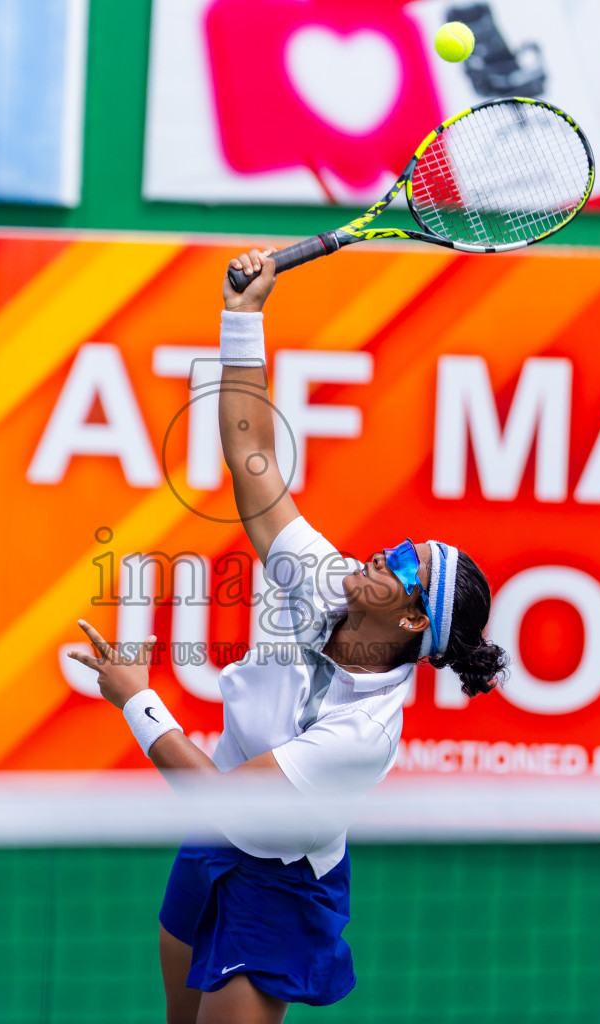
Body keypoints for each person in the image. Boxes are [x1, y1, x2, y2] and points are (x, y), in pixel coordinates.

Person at [67, 248, 509, 1024]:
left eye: (403, 567)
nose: (385, 554)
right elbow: (254, 463)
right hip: (211, 840)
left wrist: (137, 703)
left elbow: (234, 806)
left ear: (412, 621)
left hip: (278, 877)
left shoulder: (363, 732)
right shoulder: (329, 583)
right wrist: (244, 319)